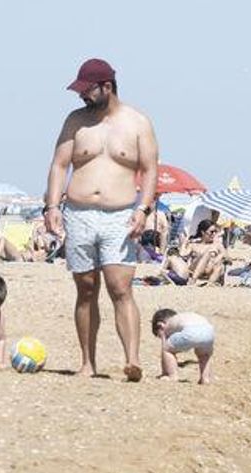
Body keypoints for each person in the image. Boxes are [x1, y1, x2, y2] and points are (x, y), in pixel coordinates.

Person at [42, 57, 157, 382]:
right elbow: (59, 165)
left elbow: (149, 170)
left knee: (121, 287)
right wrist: (52, 206)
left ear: (107, 86)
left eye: (87, 90)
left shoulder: (137, 123)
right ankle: (87, 362)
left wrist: (143, 209)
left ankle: (132, 360)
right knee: (86, 288)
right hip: (78, 213)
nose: (82, 96)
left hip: (120, 214)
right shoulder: (75, 121)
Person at [150, 307, 215, 384]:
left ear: (160, 325)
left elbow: (165, 348)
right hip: (209, 331)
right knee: (204, 355)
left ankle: (172, 375)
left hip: (190, 331)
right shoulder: (181, 318)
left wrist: (164, 338)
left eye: (159, 335)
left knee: (167, 349)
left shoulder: (166, 325)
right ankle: (205, 378)